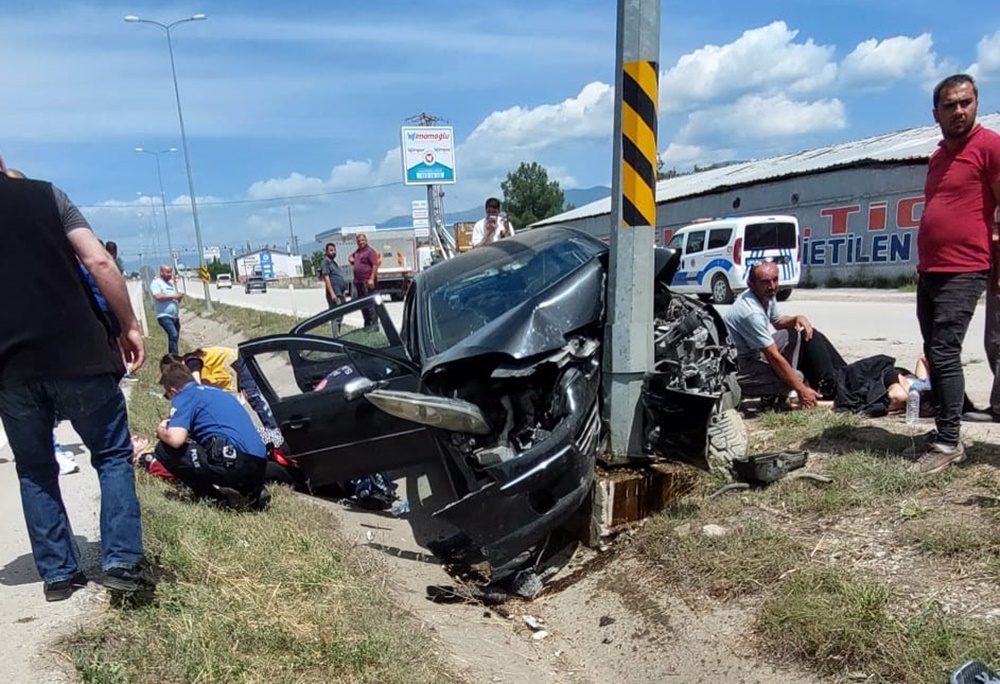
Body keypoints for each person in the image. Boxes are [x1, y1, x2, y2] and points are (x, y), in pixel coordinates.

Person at [0, 157, 152, 601]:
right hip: (78, 352)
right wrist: (128, 325)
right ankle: (122, 562)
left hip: (11, 367)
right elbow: (99, 262)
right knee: (111, 455)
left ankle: (59, 575)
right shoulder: (47, 195)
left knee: (35, 469)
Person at [910, 74, 1000, 474]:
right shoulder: (938, 156)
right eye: (951, 105)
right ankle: (946, 429)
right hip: (930, 269)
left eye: (966, 102)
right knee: (934, 350)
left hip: (965, 267)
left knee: (945, 351)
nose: (960, 110)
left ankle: (948, 443)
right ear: (937, 113)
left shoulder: (990, 147)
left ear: (976, 103)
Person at [154, 359, 270, 509]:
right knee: (210, 446)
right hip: (260, 464)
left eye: (168, 395)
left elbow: (176, 439)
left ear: (174, 391)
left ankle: (214, 499)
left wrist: (161, 431)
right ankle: (252, 491)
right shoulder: (217, 392)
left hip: (234, 463)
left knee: (164, 450)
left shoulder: (186, 396)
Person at [722, 261, 831, 409]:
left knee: (792, 333)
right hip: (739, 367)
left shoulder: (766, 295)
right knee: (797, 378)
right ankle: (767, 392)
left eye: (775, 280)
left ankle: (777, 393)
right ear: (751, 284)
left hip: (756, 353)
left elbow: (778, 321)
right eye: (765, 282)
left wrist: (797, 318)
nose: (772, 286)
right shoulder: (750, 313)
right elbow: (773, 356)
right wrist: (800, 388)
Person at [181, 347, 279, 430]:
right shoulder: (191, 362)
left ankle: (275, 431)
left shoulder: (190, 362)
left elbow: (198, 390)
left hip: (237, 361)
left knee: (252, 396)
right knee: (242, 401)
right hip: (232, 366)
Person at [149, 264, 183, 355]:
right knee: (173, 334)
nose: (170, 274)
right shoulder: (156, 283)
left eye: (170, 272)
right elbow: (158, 296)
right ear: (161, 272)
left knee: (175, 338)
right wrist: (174, 296)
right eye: (167, 272)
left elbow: (176, 295)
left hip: (174, 316)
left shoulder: (171, 284)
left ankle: (173, 356)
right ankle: (174, 359)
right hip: (164, 315)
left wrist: (178, 297)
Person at [348, 233, 379, 327]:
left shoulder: (370, 252)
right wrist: (351, 259)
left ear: (366, 240)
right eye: (359, 241)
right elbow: (350, 257)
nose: (361, 242)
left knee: (370, 304)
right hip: (358, 282)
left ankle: (374, 325)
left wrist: (371, 279)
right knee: (362, 304)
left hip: (367, 282)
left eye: (362, 240)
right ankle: (367, 324)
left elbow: (375, 265)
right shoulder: (357, 252)